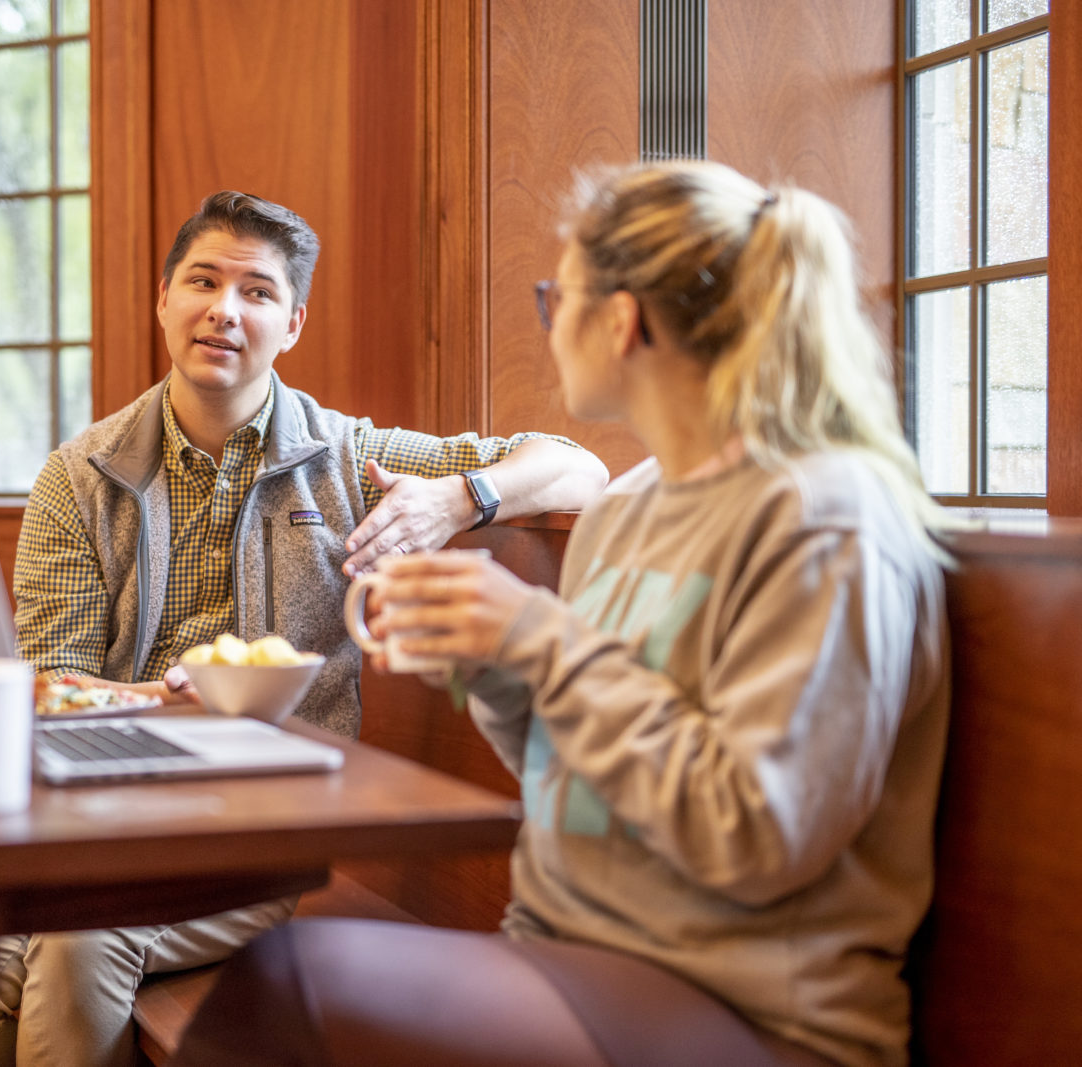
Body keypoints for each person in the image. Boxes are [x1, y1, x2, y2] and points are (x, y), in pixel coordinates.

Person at [168, 161, 952, 1067]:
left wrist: (539, 636)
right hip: (562, 951)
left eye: (555, 298)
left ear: (620, 321)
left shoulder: (827, 515)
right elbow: (577, 771)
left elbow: (761, 834)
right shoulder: (627, 506)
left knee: (295, 982)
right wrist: (495, 663)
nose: (550, 325)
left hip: (752, 1010)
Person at [0, 190, 609, 1067]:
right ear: (163, 299)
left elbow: (580, 464)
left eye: (258, 292)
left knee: (79, 942)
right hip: (104, 821)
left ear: (293, 322)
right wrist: (161, 700)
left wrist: (458, 499)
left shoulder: (348, 456)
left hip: (270, 830)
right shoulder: (79, 478)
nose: (224, 310)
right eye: (202, 281)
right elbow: (51, 683)